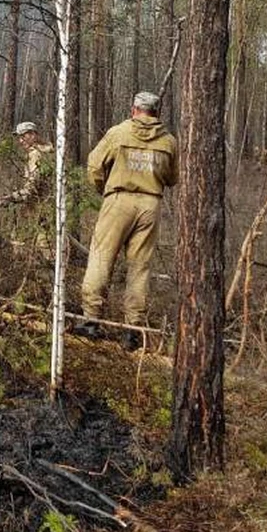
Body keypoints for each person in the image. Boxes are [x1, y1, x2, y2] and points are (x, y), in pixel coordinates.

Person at [80, 91, 178, 348]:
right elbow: (172, 178)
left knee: (101, 257)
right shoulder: (169, 142)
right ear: (156, 113)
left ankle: (91, 321)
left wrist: (105, 190)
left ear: (134, 109)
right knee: (140, 268)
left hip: (119, 199)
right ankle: (132, 330)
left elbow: (94, 165)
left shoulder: (118, 133)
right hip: (151, 205)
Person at [0, 121, 54, 206]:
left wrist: (13, 197)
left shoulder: (36, 154)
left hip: (42, 205)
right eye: (19, 137)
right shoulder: (46, 151)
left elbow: (33, 187)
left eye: (23, 136)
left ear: (33, 135)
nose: (20, 141)